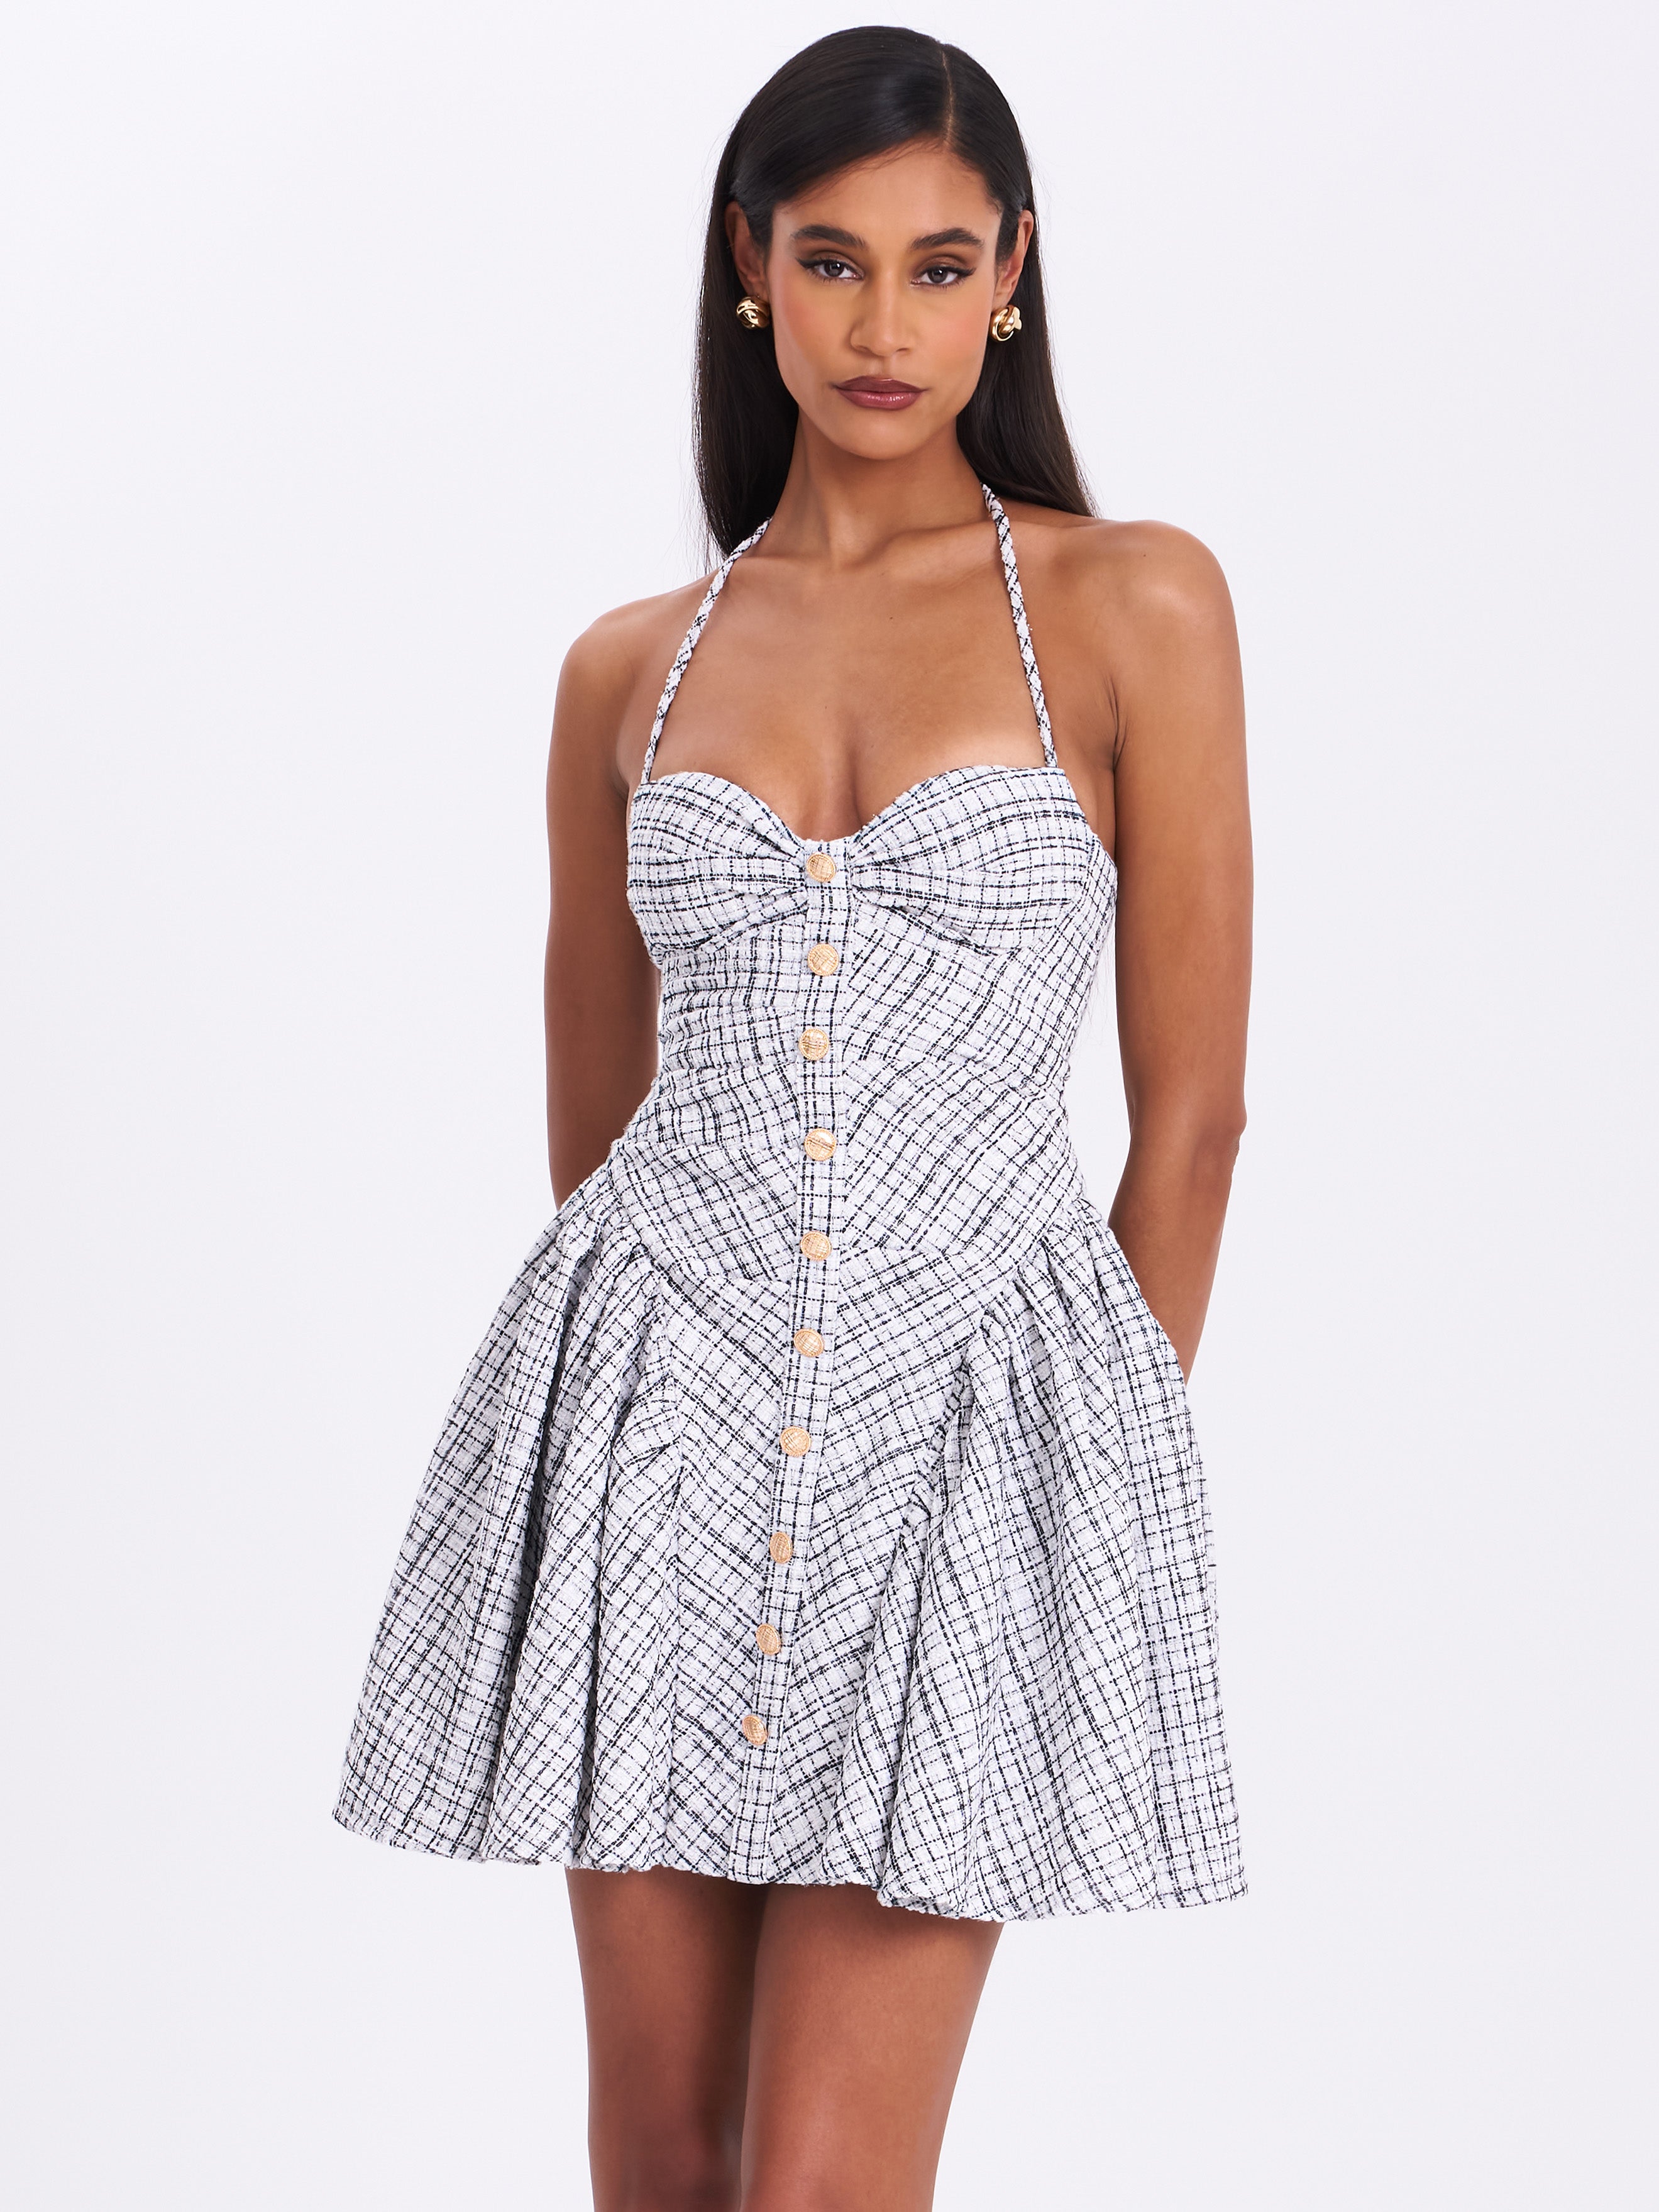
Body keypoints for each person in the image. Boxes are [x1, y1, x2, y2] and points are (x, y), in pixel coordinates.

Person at [336, 25, 1251, 2210]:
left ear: (1013, 277)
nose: (883, 326)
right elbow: (598, 1131)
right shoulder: (629, 667)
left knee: (824, 2184)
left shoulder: (1132, 604)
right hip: (656, 1435)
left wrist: (1079, 1483)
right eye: (833, 262)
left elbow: (1198, 1114)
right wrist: (672, 1399)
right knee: (664, 2167)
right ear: (751, 268)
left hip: (967, 1454)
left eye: (939, 267)